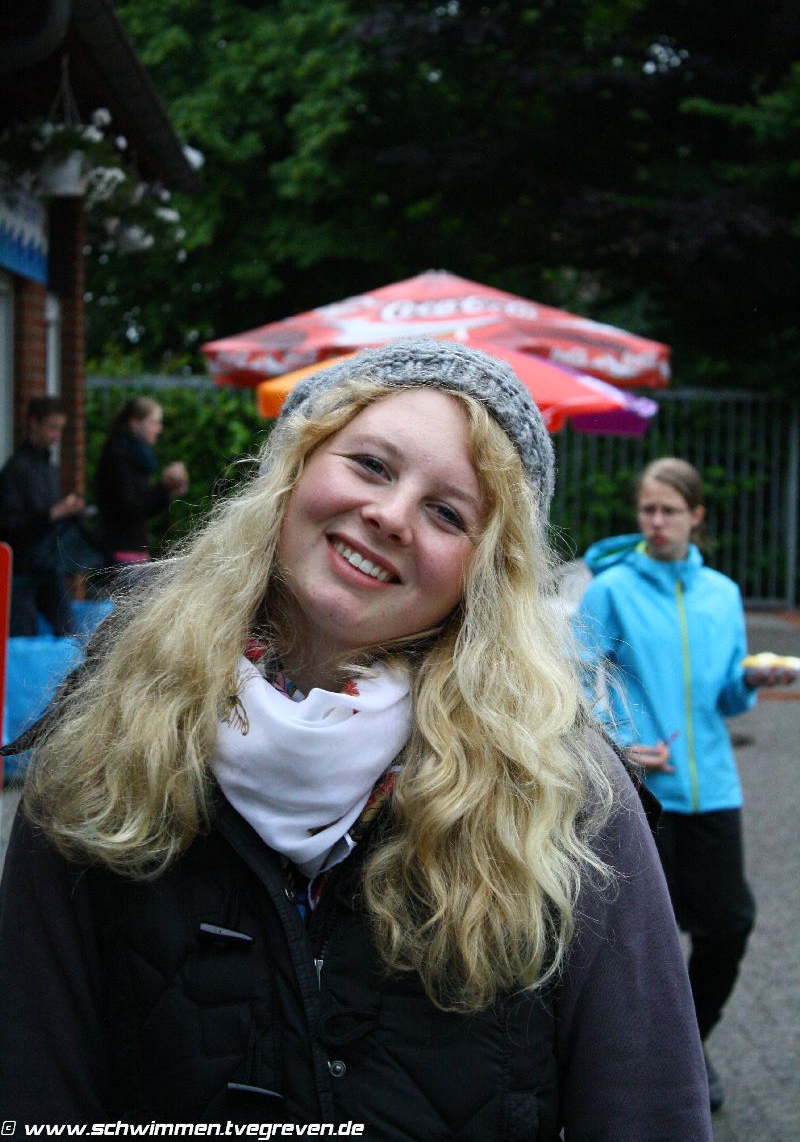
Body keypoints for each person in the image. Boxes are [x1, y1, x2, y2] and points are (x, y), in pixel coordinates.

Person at [0, 340, 712, 1138]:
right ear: (294, 468)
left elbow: (650, 1110)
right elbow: (31, 1087)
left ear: (485, 572)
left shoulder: (561, 786)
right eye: (371, 465)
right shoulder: (107, 733)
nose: (391, 516)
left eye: (447, 513)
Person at [573, 456, 796, 1114]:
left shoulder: (722, 594)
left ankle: (686, 1046)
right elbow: (572, 680)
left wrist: (751, 679)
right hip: (645, 794)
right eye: (648, 509)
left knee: (731, 924)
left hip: (715, 787)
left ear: (696, 516)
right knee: (648, 941)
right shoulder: (612, 589)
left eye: (669, 511)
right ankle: (644, 1068)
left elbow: (726, 696)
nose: (657, 521)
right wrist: (614, 744)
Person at [0, 395, 85, 635]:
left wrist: (70, 513)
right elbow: (9, 523)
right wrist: (55, 512)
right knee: (22, 635)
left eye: (60, 429)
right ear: (34, 424)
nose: (56, 435)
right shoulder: (16, 469)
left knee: (68, 631)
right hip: (22, 569)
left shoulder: (49, 467)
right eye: (52, 427)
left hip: (47, 563)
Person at [95, 395, 189, 569]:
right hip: (122, 551)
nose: (159, 429)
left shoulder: (135, 455)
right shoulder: (119, 456)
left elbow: (143, 506)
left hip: (132, 550)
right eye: (154, 422)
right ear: (135, 423)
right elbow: (131, 507)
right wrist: (164, 485)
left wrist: (168, 488)